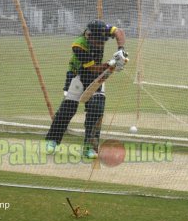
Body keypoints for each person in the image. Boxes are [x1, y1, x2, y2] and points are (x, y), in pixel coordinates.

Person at [45, 19, 127, 159]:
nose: (101, 44)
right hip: (78, 74)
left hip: (97, 75)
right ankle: (53, 139)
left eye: (103, 41)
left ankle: (89, 147)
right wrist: (112, 63)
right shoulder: (79, 45)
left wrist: (121, 50)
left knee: (97, 108)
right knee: (68, 108)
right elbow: (92, 68)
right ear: (90, 36)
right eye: (99, 42)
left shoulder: (101, 29)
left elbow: (119, 32)